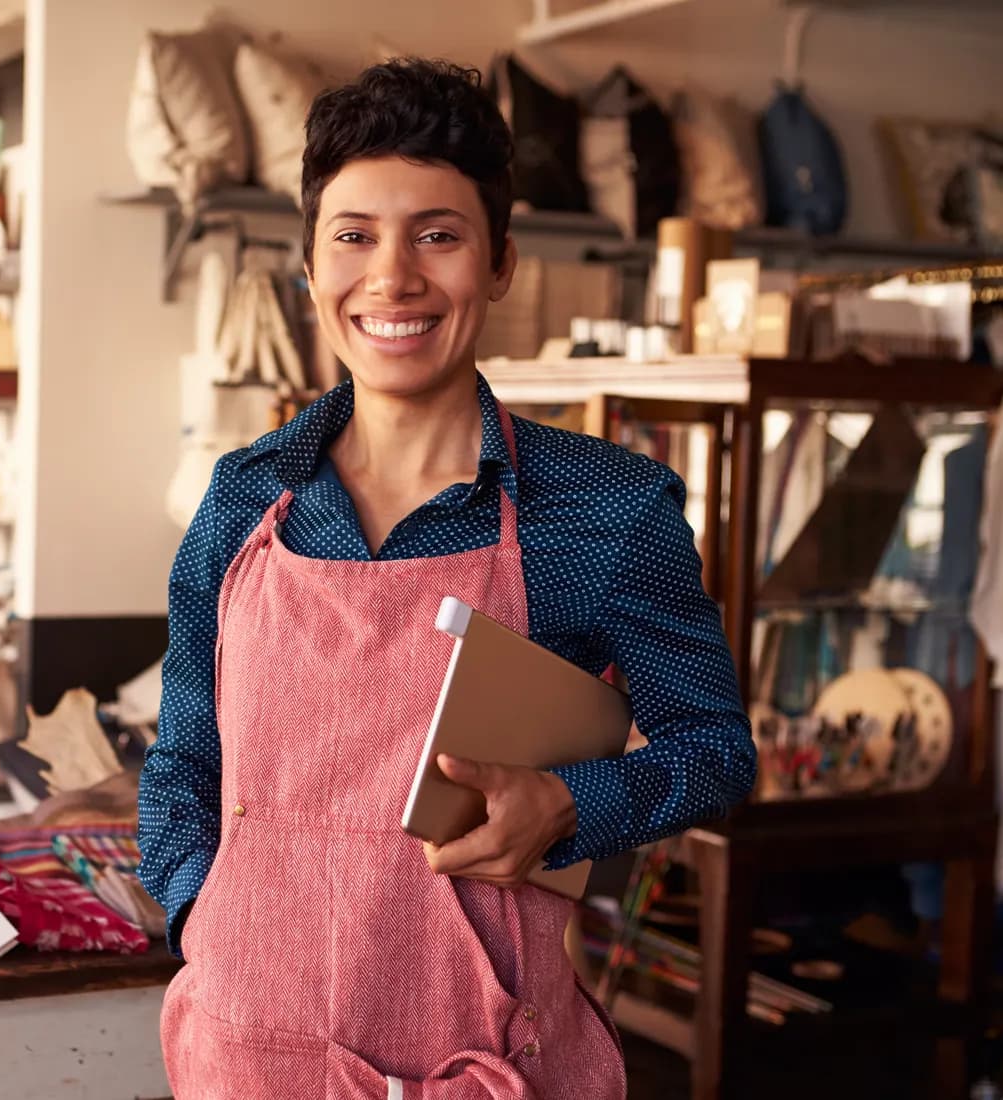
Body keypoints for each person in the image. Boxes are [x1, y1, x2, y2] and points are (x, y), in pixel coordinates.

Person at [137, 57, 755, 1099]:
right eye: (354, 235)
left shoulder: (606, 510)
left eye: (437, 233)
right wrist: (207, 915)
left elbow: (716, 753)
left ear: (499, 261)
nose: (391, 278)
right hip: (246, 1054)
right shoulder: (243, 501)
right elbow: (182, 762)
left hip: (481, 1061)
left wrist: (567, 802)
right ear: (309, 263)